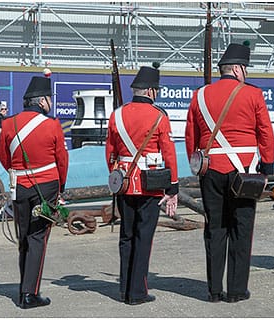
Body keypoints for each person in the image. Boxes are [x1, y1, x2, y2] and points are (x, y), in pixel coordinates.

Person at [185, 42, 274, 303]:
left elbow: (191, 136)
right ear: (237, 69)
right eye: (244, 68)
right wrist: (267, 168)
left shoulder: (200, 95)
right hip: (243, 172)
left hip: (211, 169)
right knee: (241, 229)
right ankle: (236, 290)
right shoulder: (253, 95)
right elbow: (266, 134)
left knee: (215, 229)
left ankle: (213, 291)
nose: (245, 73)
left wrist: (198, 165)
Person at [105, 63, 179, 305]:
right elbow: (169, 153)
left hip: (125, 183)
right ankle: (138, 292)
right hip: (150, 184)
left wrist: (117, 177)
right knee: (143, 237)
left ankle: (124, 288)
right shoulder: (159, 116)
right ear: (150, 91)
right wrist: (173, 186)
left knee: (126, 236)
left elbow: (110, 153)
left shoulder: (116, 115)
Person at [0, 76, 69, 309]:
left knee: (24, 238)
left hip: (19, 186)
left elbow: (3, 157)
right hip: (46, 185)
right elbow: (62, 160)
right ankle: (30, 293)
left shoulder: (9, 124)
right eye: (49, 99)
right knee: (38, 238)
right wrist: (61, 187)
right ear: (41, 101)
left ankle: (24, 288)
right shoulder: (52, 125)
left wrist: (17, 172)